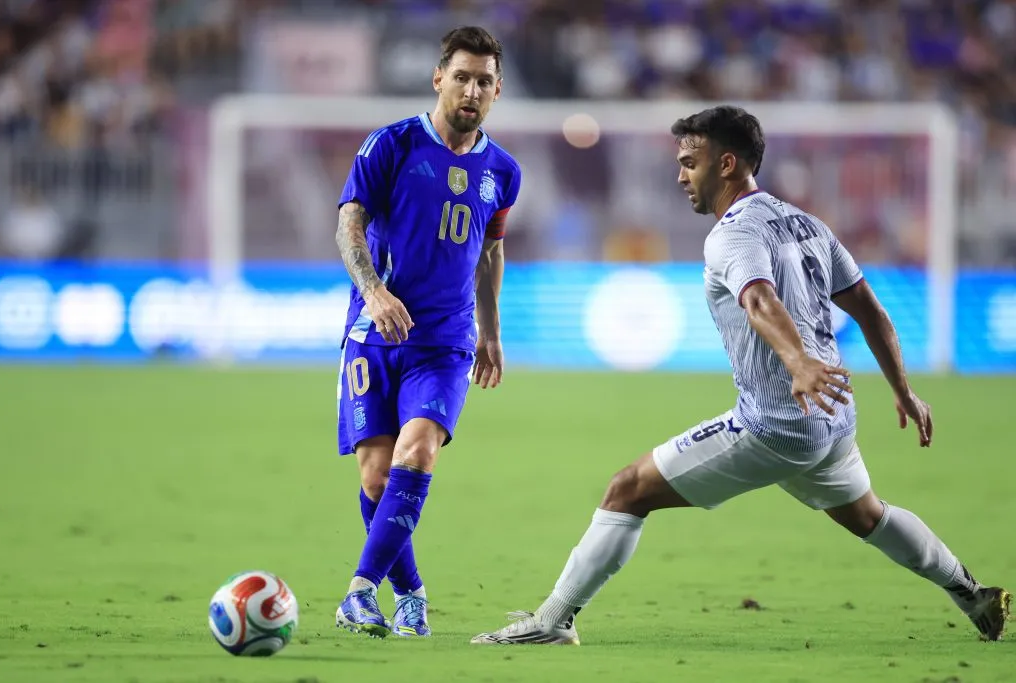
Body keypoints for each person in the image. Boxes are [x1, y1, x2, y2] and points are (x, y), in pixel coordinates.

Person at [470, 105, 1010, 645]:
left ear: (727, 164)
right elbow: (870, 308)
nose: (681, 175)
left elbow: (758, 299)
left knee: (626, 490)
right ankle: (971, 591)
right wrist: (902, 390)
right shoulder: (806, 222)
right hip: (832, 416)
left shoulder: (732, 235)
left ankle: (552, 621)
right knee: (868, 515)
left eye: (690, 162)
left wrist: (797, 363)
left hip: (775, 423)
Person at [334, 26, 521, 639]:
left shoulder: (503, 171)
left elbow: (490, 251)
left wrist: (491, 331)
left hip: (445, 343)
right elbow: (349, 225)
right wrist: (374, 290)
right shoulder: (391, 144)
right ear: (439, 78)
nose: (471, 89)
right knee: (377, 477)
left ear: (497, 91)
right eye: (461, 76)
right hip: (374, 332)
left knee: (418, 452)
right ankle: (411, 592)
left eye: (484, 81)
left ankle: (359, 594)